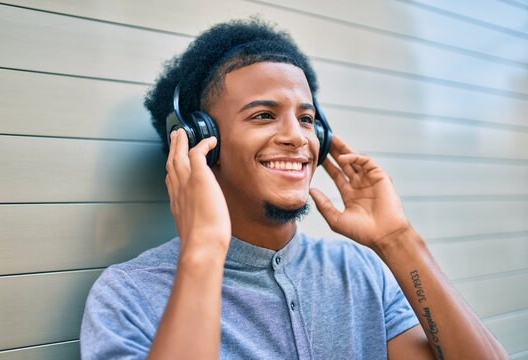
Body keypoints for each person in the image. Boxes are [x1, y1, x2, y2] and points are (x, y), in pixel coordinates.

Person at [80, 19, 507, 359]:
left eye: (306, 118)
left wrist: (398, 241)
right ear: (196, 140)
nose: (298, 138)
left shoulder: (360, 272)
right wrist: (205, 249)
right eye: (264, 115)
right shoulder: (128, 295)